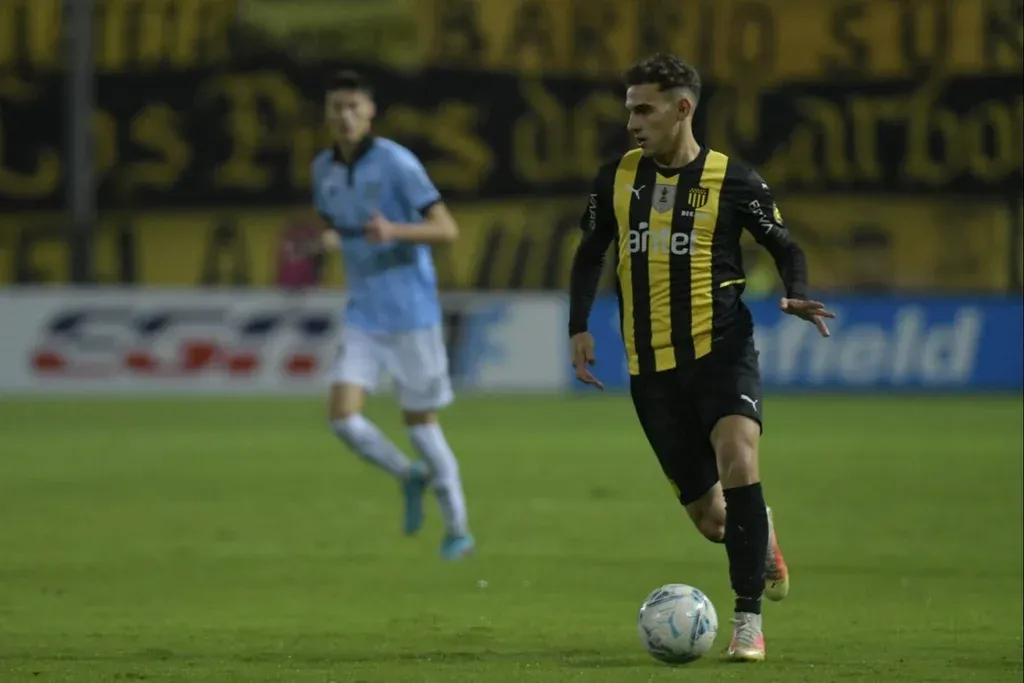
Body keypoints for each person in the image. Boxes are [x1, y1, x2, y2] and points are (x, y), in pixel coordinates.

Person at [567, 54, 834, 662]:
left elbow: (785, 245)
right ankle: (760, 532)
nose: (632, 122)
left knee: (739, 457)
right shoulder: (616, 179)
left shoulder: (734, 180)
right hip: (651, 371)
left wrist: (795, 290)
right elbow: (590, 253)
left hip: (722, 350)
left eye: (644, 109)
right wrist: (578, 326)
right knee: (714, 520)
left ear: (682, 108)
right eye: (629, 109)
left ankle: (747, 624)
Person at [312, 69, 474, 560]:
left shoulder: (397, 163)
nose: (345, 116)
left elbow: (446, 229)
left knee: (420, 425)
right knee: (342, 419)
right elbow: (343, 228)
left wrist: (395, 231)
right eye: (337, 107)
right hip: (364, 314)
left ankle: (457, 529)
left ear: (370, 112)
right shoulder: (322, 169)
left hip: (412, 315)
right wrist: (328, 241)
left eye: (353, 106)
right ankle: (408, 476)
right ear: (327, 113)